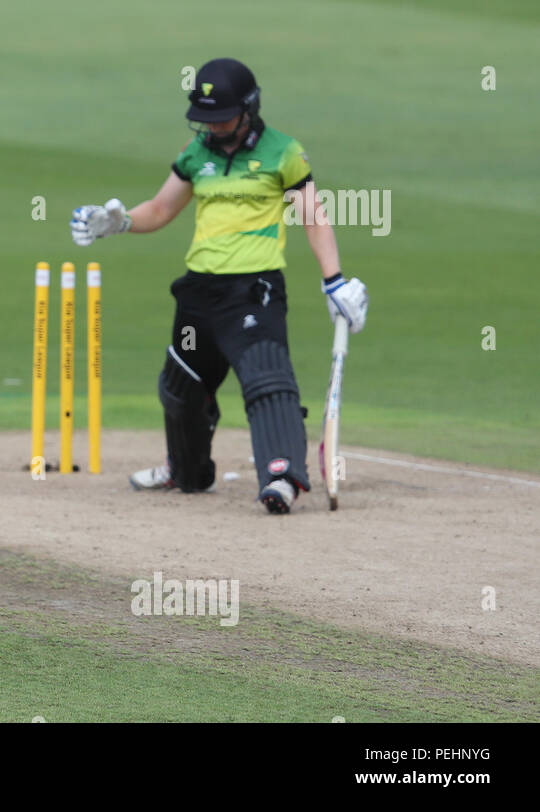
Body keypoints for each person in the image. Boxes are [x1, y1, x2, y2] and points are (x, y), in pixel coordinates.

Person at [70, 57, 368, 514]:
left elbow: (313, 216)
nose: (212, 126)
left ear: (249, 108)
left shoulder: (282, 152)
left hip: (253, 291)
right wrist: (121, 222)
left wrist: (334, 282)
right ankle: (186, 472)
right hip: (198, 295)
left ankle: (282, 475)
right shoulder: (197, 153)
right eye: (204, 118)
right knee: (181, 385)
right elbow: (161, 209)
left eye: (221, 116)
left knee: (266, 380)